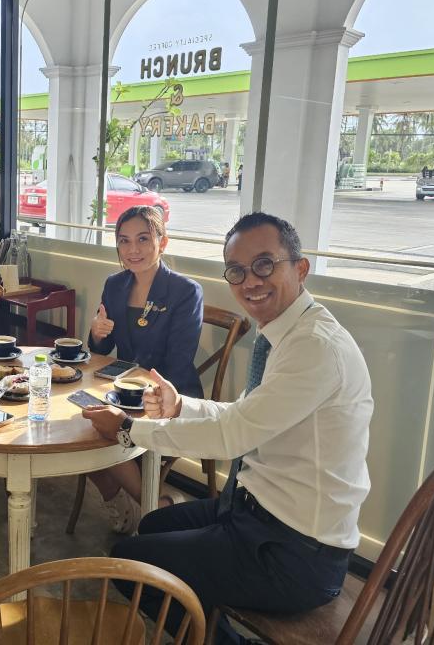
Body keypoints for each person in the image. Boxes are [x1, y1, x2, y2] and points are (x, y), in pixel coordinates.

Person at [83, 212, 373, 644]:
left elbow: (232, 435)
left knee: (127, 563)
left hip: (294, 551)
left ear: (300, 268)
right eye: (237, 271)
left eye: (264, 265)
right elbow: (242, 415)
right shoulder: (289, 334)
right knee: (155, 525)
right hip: (255, 509)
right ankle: (205, 611)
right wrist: (181, 406)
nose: (250, 281)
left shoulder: (314, 347)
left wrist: (128, 429)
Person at [86, 205, 203, 534]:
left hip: (169, 394)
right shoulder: (114, 284)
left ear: (162, 242)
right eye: (124, 241)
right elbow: (101, 351)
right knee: (81, 422)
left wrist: (133, 401)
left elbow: (179, 362)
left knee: (102, 430)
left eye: (142, 239)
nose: (132, 250)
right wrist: (97, 332)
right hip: (123, 391)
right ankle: (134, 506)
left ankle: (153, 509)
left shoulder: (185, 291)